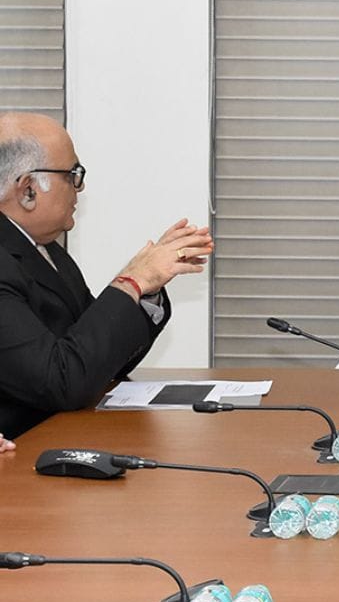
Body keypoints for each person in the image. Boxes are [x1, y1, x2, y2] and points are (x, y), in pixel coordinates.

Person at [0, 112, 213, 439]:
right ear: (28, 190)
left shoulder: (46, 249)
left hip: (66, 436)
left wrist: (146, 288)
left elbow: (98, 360)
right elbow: (61, 382)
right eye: (72, 175)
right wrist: (131, 282)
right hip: (24, 454)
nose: (81, 187)